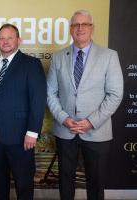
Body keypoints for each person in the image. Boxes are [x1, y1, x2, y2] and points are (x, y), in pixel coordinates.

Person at [47, 10, 124, 200]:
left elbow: (115, 94)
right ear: (71, 29)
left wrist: (91, 121)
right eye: (75, 25)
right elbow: (50, 92)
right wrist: (64, 118)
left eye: (84, 24)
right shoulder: (58, 57)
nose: (80, 28)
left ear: (92, 28)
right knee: (65, 181)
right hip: (66, 130)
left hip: (97, 131)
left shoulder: (109, 56)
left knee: (96, 183)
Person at [0, 24, 47, 200]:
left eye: (10, 38)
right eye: (2, 38)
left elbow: (38, 100)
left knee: (23, 182)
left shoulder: (31, 64)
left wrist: (32, 132)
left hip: (21, 135)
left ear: (18, 40)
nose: (6, 41)